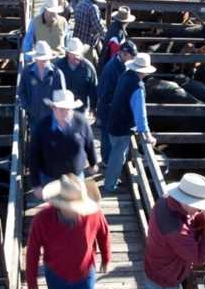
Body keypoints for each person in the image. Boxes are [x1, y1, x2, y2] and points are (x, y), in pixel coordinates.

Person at [26, 175, 110, 289]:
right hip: (56, 273)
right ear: (59, 204)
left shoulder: (94, 214)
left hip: (85, 273)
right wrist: (32, 284)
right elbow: (32, 251)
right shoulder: (42, 220)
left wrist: (106, 257)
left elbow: (103, 233)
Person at [104, 53, 157, 193]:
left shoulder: (125, 75)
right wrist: (147, 135)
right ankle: (110, 186)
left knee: (115, 153)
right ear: (144, 71)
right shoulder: (138, 87)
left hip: (113, 121)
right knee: (118, 157)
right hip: (122, 127)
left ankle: (112, 179)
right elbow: (141, 116)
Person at [29, 89, 98, 198]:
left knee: (75, 208)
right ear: (53, 108)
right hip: (50, 179)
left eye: (68, 109)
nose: (65, 112)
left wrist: (93, 163)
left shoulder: (82, 122)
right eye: (61, 108)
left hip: (76, 178)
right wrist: (36, 184)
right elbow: (33, 156)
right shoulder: (41, 126)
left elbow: (89, 145)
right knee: (53, 209)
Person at [96, 40, 136, 166]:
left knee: (107, 135)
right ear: (123, 54)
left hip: (111, 108)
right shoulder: (112, 69)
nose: (133, 59)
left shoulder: (119, 64)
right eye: (131, 56)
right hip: (108, 108)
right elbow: (105, 93)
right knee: (107, 136)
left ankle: (108, 161)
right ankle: (107, 162)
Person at [17, 41, 65, 131]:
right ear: (35, 58)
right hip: (34, 119)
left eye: (46, 59)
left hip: (53, 119)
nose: (44, 61)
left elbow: (63, 96)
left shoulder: (57, 74)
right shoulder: (27, 72)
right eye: (41, 59)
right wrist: (28, 107)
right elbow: (21, 92)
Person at [54, 38, 98, 116]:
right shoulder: (57, 66)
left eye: (78, 54)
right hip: (62, 109)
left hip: (81, 109)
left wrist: (93, 107)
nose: (76, 56)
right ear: (67, 53)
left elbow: (93, 90)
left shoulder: (88, 68)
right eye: (73, 54)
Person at [73, 0, 106, 66]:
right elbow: (97, 26)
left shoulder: (80, 3)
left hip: (77, 38)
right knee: (87, 64)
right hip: (87, 43)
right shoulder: (93, 7)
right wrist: (106, 35)